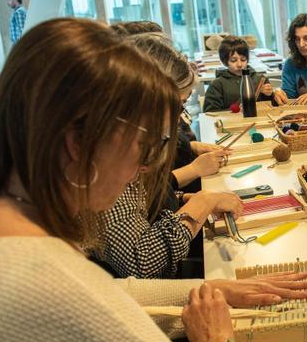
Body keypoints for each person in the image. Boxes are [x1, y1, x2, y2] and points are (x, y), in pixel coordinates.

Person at [0, 18, 307, 342]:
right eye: (146, 146)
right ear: (79, 144)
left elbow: (114, 292)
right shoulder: (42, 286)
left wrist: (207, 289)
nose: (146, 167)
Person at [95, 32, 243, 279]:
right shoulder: (113, 159)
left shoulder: (129, 149)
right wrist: (201, 203)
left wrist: (185, 199)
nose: (178, 118)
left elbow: (146, 202)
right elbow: (141, 263)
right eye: (178, 104)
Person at [203, 35, 282, 112]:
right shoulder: (217, 85)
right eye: (233, 60)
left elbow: (272, 108)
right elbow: (210, 113)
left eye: (243, 59)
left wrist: (270, 95)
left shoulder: (260, 79)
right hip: (232, 124)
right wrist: (235, 110)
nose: (239, 64)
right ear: (224, 61)